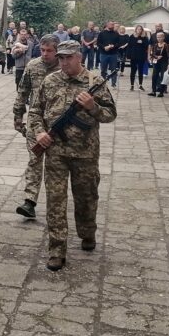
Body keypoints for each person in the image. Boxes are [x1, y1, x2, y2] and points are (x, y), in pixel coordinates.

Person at [27, 40, 116, 271]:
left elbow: (110, 115)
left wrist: (92, 107)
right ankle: (57, 249)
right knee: (55, 201)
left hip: (85, 153)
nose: (64, 62)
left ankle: (87, 232)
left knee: (86, 198)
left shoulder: (94, 82)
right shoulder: (50, 81)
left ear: (80, 57)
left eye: (69, 57)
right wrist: (39, 133)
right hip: (56, 152)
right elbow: (35, 112)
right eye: (61, 57)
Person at [13, 34, 60, 219]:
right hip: (35, 121)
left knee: (55, 164)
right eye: (42, 50)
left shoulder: (64, 67)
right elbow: (22, 92)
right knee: (34, 159)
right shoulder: (33, 66)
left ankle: (56, 200)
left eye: (50, 51)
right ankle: (29, 201)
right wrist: (17, 116)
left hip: (57, 125)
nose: (45, 54)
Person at [96, 22, 122, 86]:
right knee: (103, 69)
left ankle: (113, 83)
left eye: (113, 25)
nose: (113, 26)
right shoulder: (102, 33)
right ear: (107, 25)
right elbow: (98, 43)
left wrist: (113, 46)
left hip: (113, 54)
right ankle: (103, 82)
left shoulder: (116, 33)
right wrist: (104, 47)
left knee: (113, 70)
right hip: (104, 54)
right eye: (111, 24)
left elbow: (118, 43)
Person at [148, 33, 169, 98]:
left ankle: (161, 92)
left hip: (164, 63)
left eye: (160, 37)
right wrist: (156, 57)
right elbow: (152, 53)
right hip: (156, 62)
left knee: (163, 77)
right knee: (154, 76)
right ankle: (153, 91)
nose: (159, 38)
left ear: (163, 37)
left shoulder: (166, 45)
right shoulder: (155, 45)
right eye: (157, 37)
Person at [126, 25, 149, 91]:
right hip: (134, 55)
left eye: (140, 29)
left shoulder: (144, 37)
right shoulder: (132, 36)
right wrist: (128, 56)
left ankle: (140, 85)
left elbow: (146, 46)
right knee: (133, 71)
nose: (139, 30)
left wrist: (142, 42)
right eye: (138, 29)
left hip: (141, 55)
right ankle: (132, 85)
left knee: (140, 71)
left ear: (142, 30)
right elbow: (129, 46)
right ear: (136, 30)